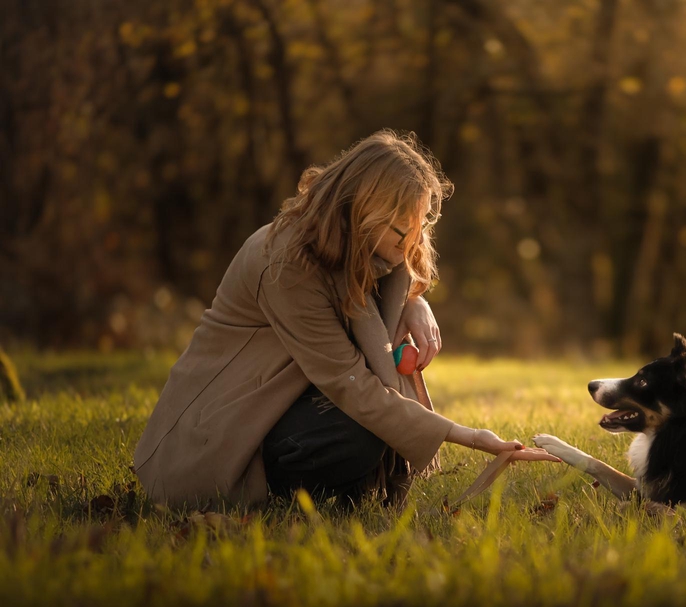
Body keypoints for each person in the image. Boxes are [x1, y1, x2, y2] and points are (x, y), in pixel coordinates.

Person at [133, 129, 557, 509]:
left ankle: (341, 489)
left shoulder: (367, 252)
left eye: (421, 223)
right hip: (217, 430)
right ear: (363, 212)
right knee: (359, 431)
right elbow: (352, 385)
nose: (413, 241)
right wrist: (468, 435)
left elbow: (386, 283)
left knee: (365, 432)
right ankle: (276, 491)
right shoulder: (287, 263)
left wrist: (413, 300)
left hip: (280, 401)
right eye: (401, 227)